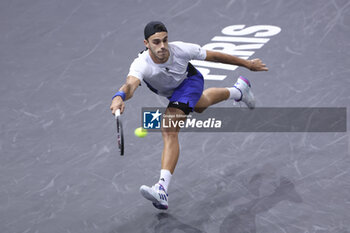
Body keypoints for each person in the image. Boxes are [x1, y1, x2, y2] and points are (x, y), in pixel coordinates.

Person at [110, 21, 268, 210]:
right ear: (146, 43)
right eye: (156, 42)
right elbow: (130, 85)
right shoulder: (141, 64)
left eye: (165, 40)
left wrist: (248, 64)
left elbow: (216, 56)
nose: (162, 46)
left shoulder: (181, 50)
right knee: (200, 105)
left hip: (189, 82)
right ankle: (239, 91)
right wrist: (119, 96)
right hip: (172, 92)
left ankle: (162, 188)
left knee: (169, 129)